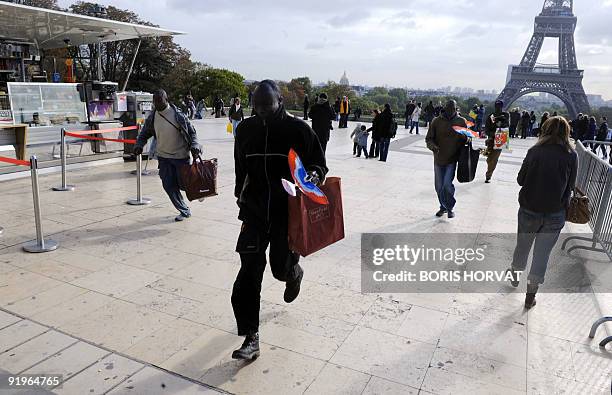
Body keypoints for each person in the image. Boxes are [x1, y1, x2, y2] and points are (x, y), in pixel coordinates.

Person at [232, 80, 328, 360]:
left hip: (287, 212)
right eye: (257, 107)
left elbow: (318, 163)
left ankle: (293, 273)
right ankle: (251, 337)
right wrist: (241, 195)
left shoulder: (298, 130)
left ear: (280, 102)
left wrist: (314, 175)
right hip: (255, 211)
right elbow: (241, 167)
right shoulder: (246, 130)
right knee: (248, 274)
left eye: (267, 106)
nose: (262, 112)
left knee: (279, 268)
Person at [507, 116, 578, 309]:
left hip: (530, 208)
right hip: (555, 212)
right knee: (542, 254)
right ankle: (530, 295)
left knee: (522, 246)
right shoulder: (572, 155)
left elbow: (521, 180)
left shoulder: (535, 151)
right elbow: (570, 186)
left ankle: (515, 273)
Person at [134, 89, 202, 222]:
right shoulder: (153, 117)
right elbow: (144, 133)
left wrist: (195, 145)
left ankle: (198, 189)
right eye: (155, 101)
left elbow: (192, 133)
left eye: (160, 100)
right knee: (168, 185)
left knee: (184, 184)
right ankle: (184, 210)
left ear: (166, 99)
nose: (157, 104)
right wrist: (139, 144)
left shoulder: (178, 115)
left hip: (180, 156)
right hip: (164, 157)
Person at [425, 100, 468, 218]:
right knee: (439, 187)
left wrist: (465, 137)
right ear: (445, 108)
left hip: (452, 159)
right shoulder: (436, 121)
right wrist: (433, 147)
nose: (450, 111)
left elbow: (467, 140)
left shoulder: (461, 121)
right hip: (438, 158)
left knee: (447, 185)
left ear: (456, 109)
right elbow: (429, 138)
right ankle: (443, 207)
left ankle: (450, 208)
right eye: (449, 109)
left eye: (453, 109)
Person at [484, 100, 510, 184]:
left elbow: (507, 126)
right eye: (497, 106)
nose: (498, 108)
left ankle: (488, 175)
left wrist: (502, 121)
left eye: (499, 106)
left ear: (502, 107)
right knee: (489, 158)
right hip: (491, 138)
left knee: (494, 158)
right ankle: (489, 170)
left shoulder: (506, 115)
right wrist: (493, 134)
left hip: (501, 138)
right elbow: (487, 129)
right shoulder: (491, 116)